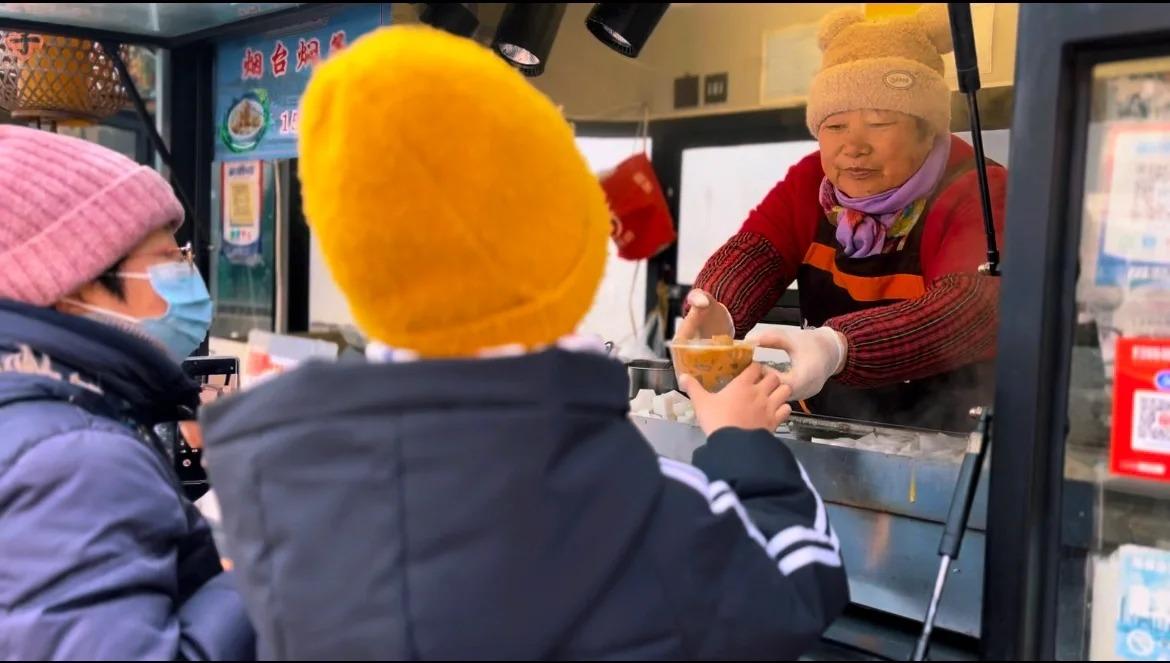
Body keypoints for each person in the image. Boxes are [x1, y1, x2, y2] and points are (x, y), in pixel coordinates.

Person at [200, 25, 848, 660]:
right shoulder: (625, 503)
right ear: (563, 237)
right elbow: (793, 582)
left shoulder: (283, 492)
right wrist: (740, 438)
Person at [678, 5, 1007, 431]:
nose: (853, 147)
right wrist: (718, 308)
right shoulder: (811, 181)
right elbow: (757, 250)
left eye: (880, 122)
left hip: (947, 438)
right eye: (834, 127)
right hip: (829, 428)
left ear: (929, 130)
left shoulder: (979, 189)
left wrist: (839, 347)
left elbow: (968, 310)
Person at [0, 125, 254, 660]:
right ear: (69, 287)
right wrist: (265, 568)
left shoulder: (38, 417)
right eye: (169, 258)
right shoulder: (72, 458)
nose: (192, 274)